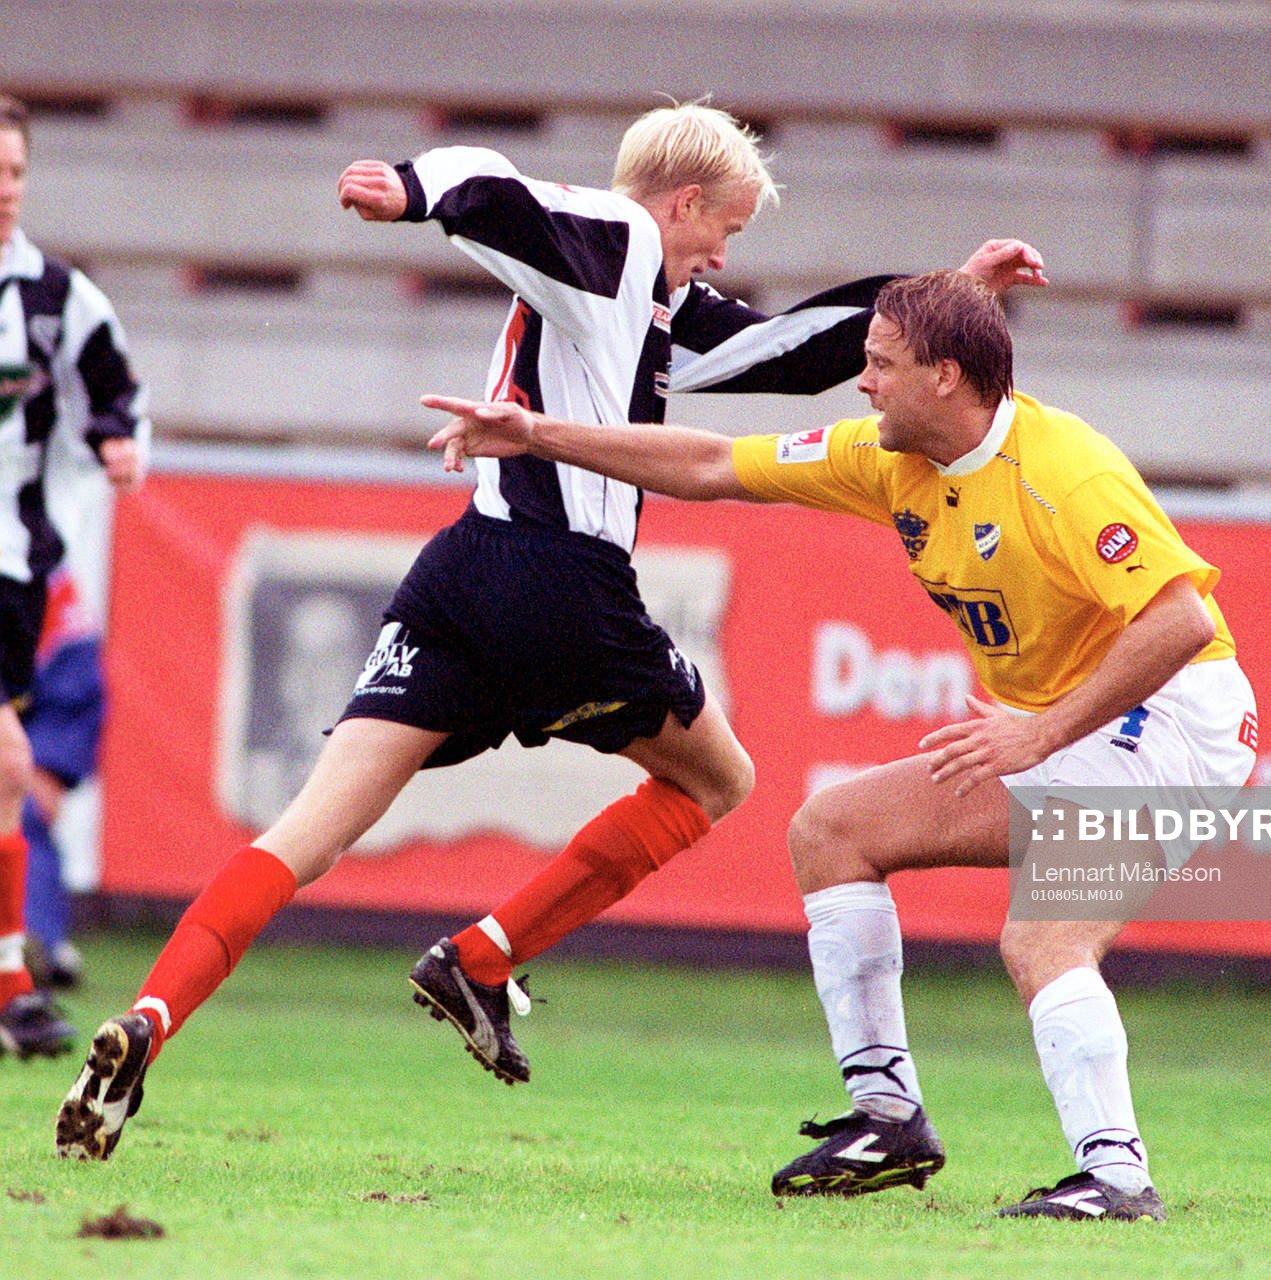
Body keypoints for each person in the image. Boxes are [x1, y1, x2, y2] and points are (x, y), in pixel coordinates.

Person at [56, 99, 1045, 1159]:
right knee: (719, 779)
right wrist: (416, 189)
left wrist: (952, 299)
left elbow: (782, 350)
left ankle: (148, 1020)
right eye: (727, 228)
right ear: (683, 200)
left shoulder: (648, 308)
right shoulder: (619, 240)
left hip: (461, 571)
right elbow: (511, 193)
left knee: (307, 831)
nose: (722, 253)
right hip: (561, 580)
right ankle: (486, 954)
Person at [416, 269, 1258, 1221]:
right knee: (831, 831)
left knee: (1043, 937)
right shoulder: (886, 455)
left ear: (945, 377)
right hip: (1071, 729)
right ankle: (887, 1118)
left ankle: (1118, 1178)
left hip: (1177, 727)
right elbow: (710, 465)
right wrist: (539, 437)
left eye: (880, 364)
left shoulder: (1066, 470)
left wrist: (1044, 732)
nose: (860, 382)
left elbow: (1181, 622)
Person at [0, 95, 146, 1060]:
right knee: (8, 765)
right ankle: (13, 981)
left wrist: (120, 443)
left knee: (5, 775)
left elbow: (119, 394)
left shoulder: (59, 299)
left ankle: (13, 981)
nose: (5, 190)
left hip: (11, 565)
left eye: (14, 172)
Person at [23, 568, 107, 991]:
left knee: (22, 808)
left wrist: (49, 765)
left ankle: (35, 949)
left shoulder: (39, 566)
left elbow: (75, 675)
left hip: (23, 733)